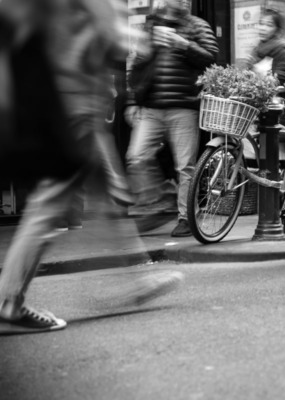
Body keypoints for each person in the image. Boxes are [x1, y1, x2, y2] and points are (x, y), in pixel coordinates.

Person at [0, 0, 182, 335]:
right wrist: (146, 39)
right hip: (75, 107)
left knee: (107, 194)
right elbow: (112, 38)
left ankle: (138, 279)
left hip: (66, 103)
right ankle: (8, 300)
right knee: (51, 204)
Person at [126, 0, 218, 237]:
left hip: (184, 106)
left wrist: (185, 45)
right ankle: (159, 200)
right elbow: (137, 63)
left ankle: (186, 217)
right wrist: (133, 100)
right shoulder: (151, 26)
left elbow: (211, 58)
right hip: (151, 107)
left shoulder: (197, 25)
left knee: (185, 166)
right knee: (136, 156)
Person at [243, 8, 285, 107]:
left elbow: (278, 82)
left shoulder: (284, 51)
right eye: (261, 23)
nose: (262, 28)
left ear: (277, 30)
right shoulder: (257, 49)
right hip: (256, 104)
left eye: (269, 25)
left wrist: (254, 70)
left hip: (277, 108)